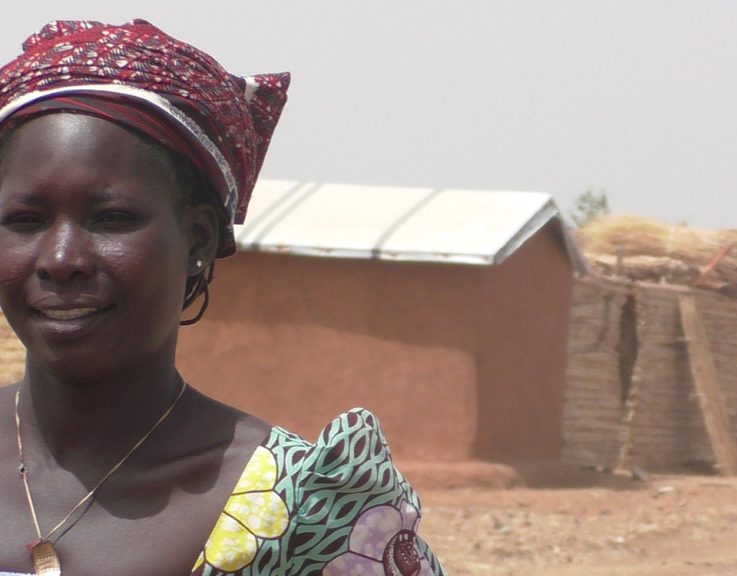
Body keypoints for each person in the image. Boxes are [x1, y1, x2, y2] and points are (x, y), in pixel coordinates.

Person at [0, 20, 445, 576]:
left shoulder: (305, 515)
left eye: (111, 219)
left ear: (200, 240)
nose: (61, 259)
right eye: (24, 220)